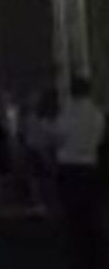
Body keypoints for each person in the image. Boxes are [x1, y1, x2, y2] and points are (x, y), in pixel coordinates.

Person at [52, 76, 106, 269]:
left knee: (73, 217)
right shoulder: (97, 114)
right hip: (90, 166)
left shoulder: (67, 113)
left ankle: (78, 257)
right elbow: (99, 139)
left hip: (69, 167)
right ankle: (95, 256)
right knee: (91, 215)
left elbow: (58, 135)